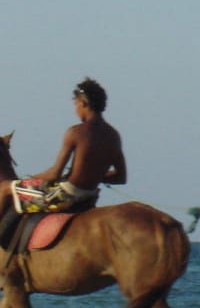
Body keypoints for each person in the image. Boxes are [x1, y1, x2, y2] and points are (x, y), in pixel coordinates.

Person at [1, 77, 127, 215]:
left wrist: (27, 180)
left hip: (64, 196)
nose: (76, 109)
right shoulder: (114, 136)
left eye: (76, 104)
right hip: (90, 196)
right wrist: (94, 175)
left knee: (6, 188)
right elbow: (121, 177)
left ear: (83, 103)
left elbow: (54, 174)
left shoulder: (76, 132)